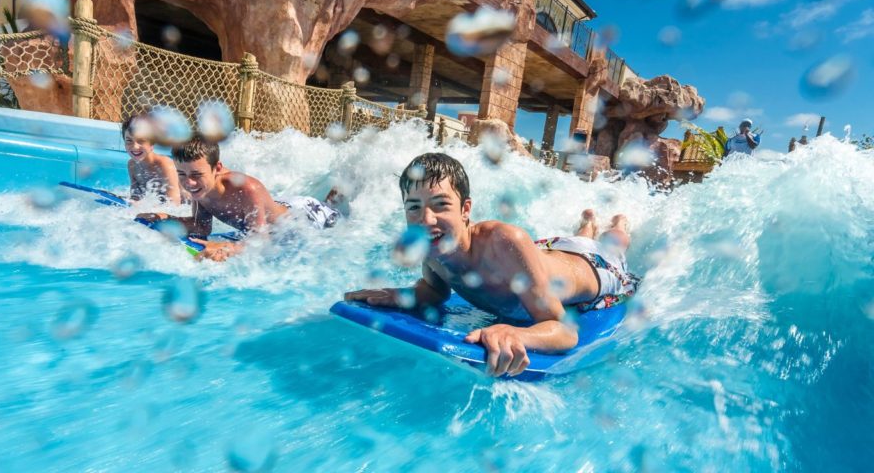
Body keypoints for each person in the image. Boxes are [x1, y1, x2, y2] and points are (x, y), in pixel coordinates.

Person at [344, 153, 640, 377]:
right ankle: (586, 225)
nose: (427, 219)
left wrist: (519, 335)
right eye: (414, 208)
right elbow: (435, 291)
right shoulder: (432, 243)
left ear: (466, 209)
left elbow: (565, 332)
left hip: (596, 266)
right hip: (546, 253)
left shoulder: (503, 242)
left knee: (611, 243)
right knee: (579, 237)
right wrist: (403, 295)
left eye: (441, 204)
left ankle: (618, 224)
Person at [139, 136, 339, 261]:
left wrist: (227, 248)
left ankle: (338, 190)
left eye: (196, 175)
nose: (189, 183)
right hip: (273, 208)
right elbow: (201, 227)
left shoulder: (246, 187)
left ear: (217, 168)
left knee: (336, 214)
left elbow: (262, 242)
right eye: (181, 174)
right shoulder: (200, 189)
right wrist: (166, 219)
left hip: (304, 216)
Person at [122, 115, 182, 206]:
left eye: (141, 141)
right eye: (129, 141)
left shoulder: (165, 164)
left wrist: (145, 207)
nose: (135, 146)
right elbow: (136, 196)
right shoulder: (132, 165)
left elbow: (175, 203)